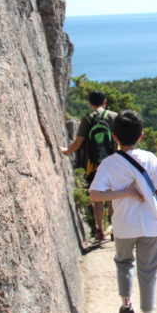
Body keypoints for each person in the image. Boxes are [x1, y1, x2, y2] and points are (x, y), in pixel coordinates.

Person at [88, 110, 157, 313]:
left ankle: (127, 306)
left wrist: (124, 193)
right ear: (141, 136)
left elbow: (95, 195)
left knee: (124, 264)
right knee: (148, 270)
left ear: (114, 137)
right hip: (150, 224)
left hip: (123, 225)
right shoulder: (150, 159)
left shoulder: (108, 164)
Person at [60, 90, 117, 241]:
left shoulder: (87, 118)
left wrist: (66, 151)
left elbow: (78, 142)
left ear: (90, 103)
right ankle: (116, 230)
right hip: (113, 162)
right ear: (105, 102)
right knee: (113, 196)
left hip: (94, 164)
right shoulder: (113, 116)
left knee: (97, 197)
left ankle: (100, 230)